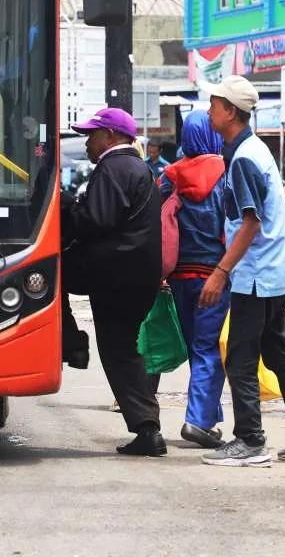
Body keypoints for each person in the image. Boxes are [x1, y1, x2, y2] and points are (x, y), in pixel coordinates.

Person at [198, 76, 285, 467]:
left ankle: (250, 440)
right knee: (276, 352)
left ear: (231, 112)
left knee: (241, 358)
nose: (209, 111)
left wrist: (220, 272)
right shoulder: (251, 149)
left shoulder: (245, 157)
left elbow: (251, 223)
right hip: (272, 272)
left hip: (257, 276)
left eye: (214, 105)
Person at [60, 107, 165, 457]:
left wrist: (67, 207)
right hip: (138, 275)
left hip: (114, 274)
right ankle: (147, 427)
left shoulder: (113, 167)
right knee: (124, 349)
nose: (87, 143)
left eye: (92, 135)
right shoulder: (139, 168)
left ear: (110, 136)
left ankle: (71, 342)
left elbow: (96, 220)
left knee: (43, 275)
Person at [158, 111, 230, 449]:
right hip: (214, 277)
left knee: (196, 348)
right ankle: (198, 421)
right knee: (208, 349)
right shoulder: (226, 175)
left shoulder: (168, 177)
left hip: (177, 278)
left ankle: (208, 418)